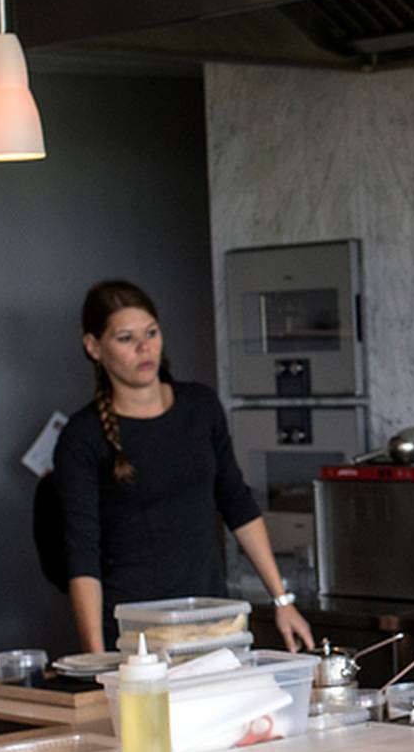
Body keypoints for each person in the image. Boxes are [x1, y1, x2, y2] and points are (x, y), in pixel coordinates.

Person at [54, 280, 315, 656]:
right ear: (94, 347)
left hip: (212, 622)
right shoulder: (83, 436)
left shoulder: (200, 407)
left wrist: (282, 601)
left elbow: (237, 504)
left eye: (151, 333)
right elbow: (82, 554)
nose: (144, 348)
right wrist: (96, 658)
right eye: (125, 338)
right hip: (134, 636)